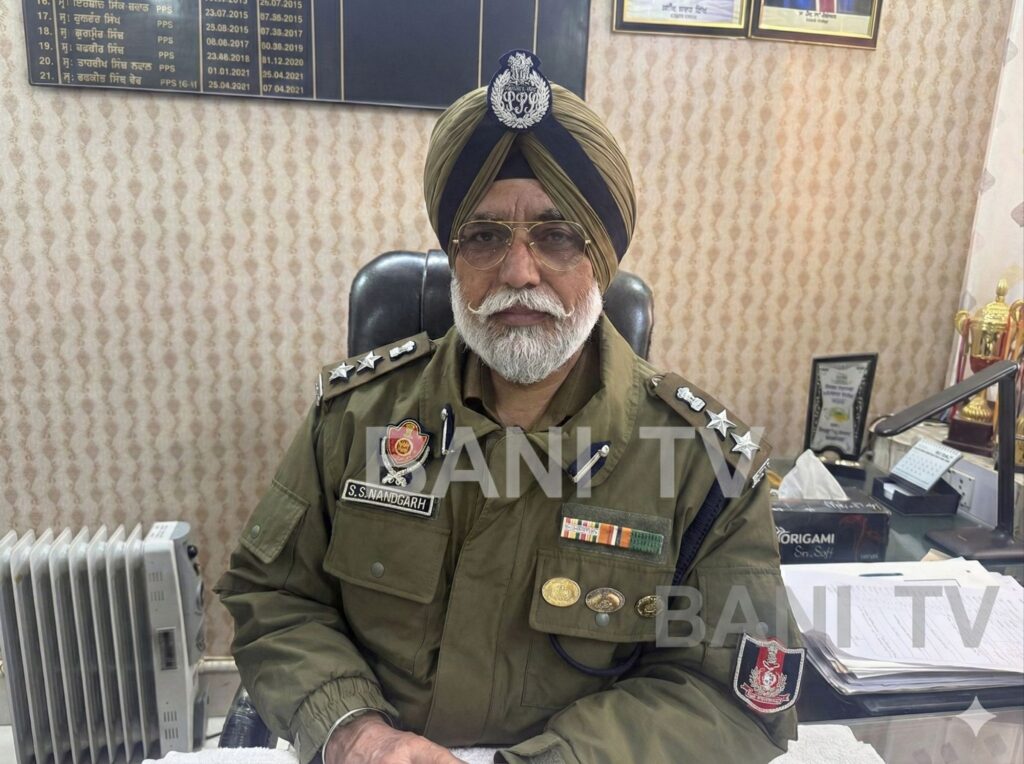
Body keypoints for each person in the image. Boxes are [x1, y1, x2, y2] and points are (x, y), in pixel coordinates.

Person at [216, 50, 802, 764]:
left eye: (557, 237)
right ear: (455, 256)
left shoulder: (705, 469)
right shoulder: (353, 419)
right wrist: (353, 731)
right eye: (485, 237)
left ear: (601, 259)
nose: (518, 273)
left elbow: (734, 697)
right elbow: (274, 598)